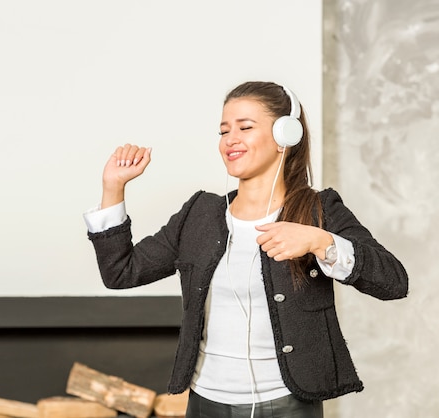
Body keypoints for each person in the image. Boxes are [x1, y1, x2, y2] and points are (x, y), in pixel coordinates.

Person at [83, 81, 409, 418]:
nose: (230, 140)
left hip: (287, 405)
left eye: (245, 127)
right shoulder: (200, 214)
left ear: (286, 135)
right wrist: (113, 188)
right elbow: (121, 273)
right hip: (204, 404)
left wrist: (321, 242)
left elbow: (394, 281)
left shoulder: (319, 211)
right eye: (224, 131)